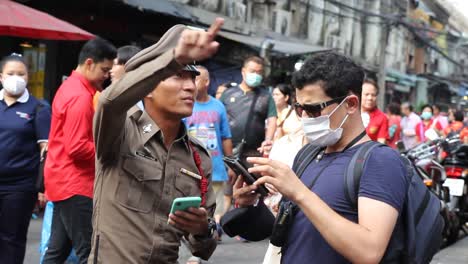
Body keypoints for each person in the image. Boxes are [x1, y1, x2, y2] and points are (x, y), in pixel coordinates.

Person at [234, 52, 407, 264]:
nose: (305, 118)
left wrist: (299, 193)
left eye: (313, 109)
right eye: (299, 108)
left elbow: (369, 252)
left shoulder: (380, 161)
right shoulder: (308, 153)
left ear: (351, 104)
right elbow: (291, 228)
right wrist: (249, 205)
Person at [89, 19, 225, 263]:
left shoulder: (197, 157)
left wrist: (202, 229)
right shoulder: (120, 131)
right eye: (177, 76)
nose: (189, 87)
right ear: (148, 88)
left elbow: (204, 249)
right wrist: (171, 59)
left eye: (192, 79)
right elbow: (110, 102)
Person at [43, 38, 116, 264]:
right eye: (104, 70)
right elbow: (77, 148)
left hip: (64, 180)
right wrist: (111, 152)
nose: (107, 76)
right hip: (75, 184)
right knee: (90, 254)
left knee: (57, 253)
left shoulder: (71, 88)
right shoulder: (80, 96)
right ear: (89, 63)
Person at [0, 54, 51, 263]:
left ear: (28, 77)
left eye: (21, 74)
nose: (16, 78)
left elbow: (45, 149)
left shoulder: (38, 108)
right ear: (1, 77)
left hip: (20, 187)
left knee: (11, 239)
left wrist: (43, 187)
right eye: (10, 73)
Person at [184, 65, 233, 239]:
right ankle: (200, 240)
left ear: (206, 82)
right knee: (195, 206)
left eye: (196, 78)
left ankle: (211, 233)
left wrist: (230, 164)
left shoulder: (218, 106)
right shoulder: (185, 104)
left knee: (215, 206)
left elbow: (226, 137)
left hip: (216, 167)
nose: (192, 83)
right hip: (190, 166)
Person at [220, 56, 277, 161]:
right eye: (252, 71)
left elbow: (272, 120)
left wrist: (268, 140)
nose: (256, 75)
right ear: (243, 71)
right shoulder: (228, 93)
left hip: (253, 152)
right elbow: (217, 117)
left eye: (259, 72)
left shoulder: (266, 96)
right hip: (226, 149)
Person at [360, 79, 388, 144]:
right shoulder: (349, 114)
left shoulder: (381, 118)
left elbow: (381, 143)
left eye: (373, 95)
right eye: (366, 94)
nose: (370, 98)